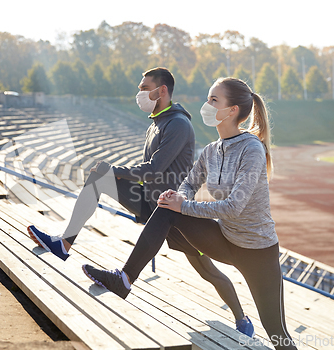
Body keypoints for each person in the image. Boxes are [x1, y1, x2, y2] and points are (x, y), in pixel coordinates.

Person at [28, 68, 254, 336]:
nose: (140, 93)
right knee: (99, 178)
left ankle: (242, 318)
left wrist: (117, 170)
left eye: (144, 87)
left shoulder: (179, 124)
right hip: (150, 201)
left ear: (162, 91)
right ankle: (64, 244)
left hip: (178, 214)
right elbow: (148, 173)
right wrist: (113, 174)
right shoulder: (157, 122)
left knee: (207, 271)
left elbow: (155, 168)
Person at [82, 77, 298, 349]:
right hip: (226, 241)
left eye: (213, 100)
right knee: (167, 207)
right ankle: (124, 279)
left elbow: (233, 207)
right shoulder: (211, 150)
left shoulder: (251, 149)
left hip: (258, 252)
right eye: (208, 98)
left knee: (277, 333)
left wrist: (184, 205)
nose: (206, 105)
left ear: (232, 111)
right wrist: (178, 196)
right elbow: (190, 182)